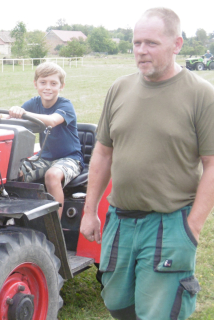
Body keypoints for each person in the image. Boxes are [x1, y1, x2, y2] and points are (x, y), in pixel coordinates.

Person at [80, 7, 214, 320]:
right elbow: (102, 153)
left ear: (177, 44)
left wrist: (191, 227)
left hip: (169, 222)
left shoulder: (202, 95)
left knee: (159, 312)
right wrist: (89, 212)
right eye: (137, 43)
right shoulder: (120, 88)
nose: (141, 51)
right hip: (120, 221)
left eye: (151, 43)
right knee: (116, 301)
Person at [0, 62, 84, 218]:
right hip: (44, 157)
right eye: (43, 82)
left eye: (53, 83)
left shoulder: (65, 105)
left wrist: (24, 113)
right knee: (11, 170)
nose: (48, 87)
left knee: (52, 176)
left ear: (61, 86)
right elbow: (9, 119)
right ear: (36, 84)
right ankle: (15, 217)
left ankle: (56, 228)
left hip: (70, 158)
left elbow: (52, 120)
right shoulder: (33, 103)